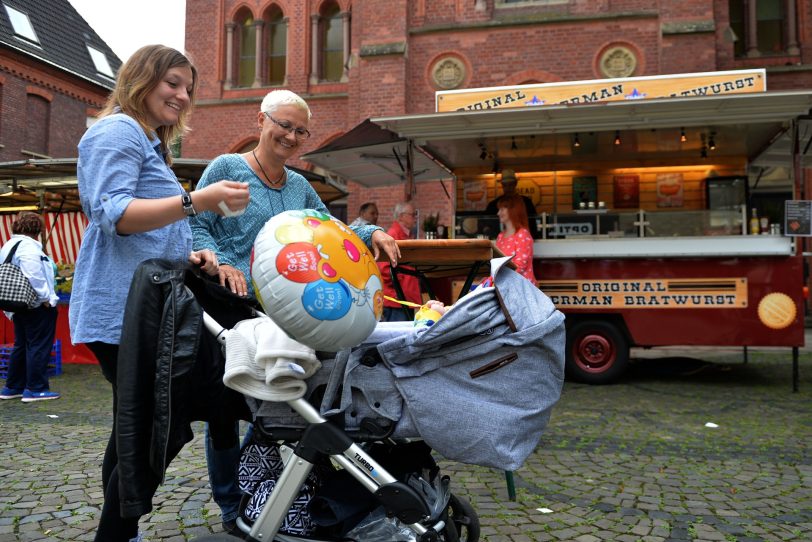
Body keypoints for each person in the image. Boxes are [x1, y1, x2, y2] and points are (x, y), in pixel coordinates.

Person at [190, 89, 400, 534]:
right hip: (231, 306)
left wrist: (373, 231)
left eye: (300, 130)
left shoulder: (300, 185)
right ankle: (231, 506)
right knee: (226, 408)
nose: (290, 135)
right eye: (283, 124)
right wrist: (218, 258)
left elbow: (329, 229)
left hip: (285, 316)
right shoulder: (227, 169)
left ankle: (261, 491)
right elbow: (194, 220)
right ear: (261, 119)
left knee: (275, 407)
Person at [68, 44, 250, 542]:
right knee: (154, 426)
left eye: (188, 87)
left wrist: (190, 254)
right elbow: (116, 215)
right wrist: (198, 200)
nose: (182, 95)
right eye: (172, 82)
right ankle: (115, 532)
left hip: (145, 309)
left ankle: (118, 531)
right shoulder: (116, 131)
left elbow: (150, 229)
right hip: (125, 311)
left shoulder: (148, 142)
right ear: (142, 78)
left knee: (137, 426)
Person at [0, 212, 60, 402]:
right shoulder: (28, 246)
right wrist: (46, 298)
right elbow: (33, 274)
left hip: (18, 305)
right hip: (35, 305)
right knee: (38, 346)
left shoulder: (9, 245)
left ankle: (12, 387)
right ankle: (36, 389)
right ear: (37, 230)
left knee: (21, 345)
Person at [379, 201, 422, 321]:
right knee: (397, 336)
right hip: (397, 299)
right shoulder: (393, 235)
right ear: (401, 216)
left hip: (402, 297)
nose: (415, 218)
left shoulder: (401, 235)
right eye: (412, 215)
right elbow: (384, 268)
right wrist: (399, 287)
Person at [495, 194, 537, 283]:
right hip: (505, 286)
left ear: (512, 210)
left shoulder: (523, 234)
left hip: (521, 289)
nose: (498, 213)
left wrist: (497, 278)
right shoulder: (500, 236)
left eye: (502, 209)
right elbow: (496, 262)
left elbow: (520, 266)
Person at [484, 169, 537, 237]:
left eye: (510, 185)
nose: (508, 188)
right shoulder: (493, 205)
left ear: (515, 184)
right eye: (505, 185)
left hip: (522, 237)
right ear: (502, 185)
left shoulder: (526, 202)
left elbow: (532, 224)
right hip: (502, 239)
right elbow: (486, 225)